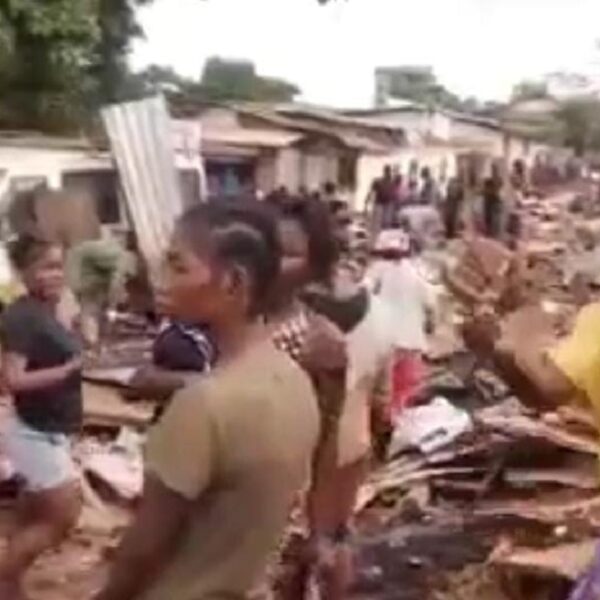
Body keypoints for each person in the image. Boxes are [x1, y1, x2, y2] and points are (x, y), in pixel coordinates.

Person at [95, 202, 319, 600]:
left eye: (179, 267)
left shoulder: (202, 405)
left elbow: (143, 550)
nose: (161, 280)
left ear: (233, 283)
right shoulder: (295, 381)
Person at [0, 234, 83, 600]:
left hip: (52, 427)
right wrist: (68, 371)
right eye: (46, 267)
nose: (55, 275)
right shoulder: (20, 316)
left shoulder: (49, 308)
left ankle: (12, 587)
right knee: (62, 517)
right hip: (33, 432)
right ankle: (4, 578)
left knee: (31, 515)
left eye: (59, 266)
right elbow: (13, 379)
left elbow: (76, 341)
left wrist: (74, 319)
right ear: (23, 270)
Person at [365, 227, 436, 417]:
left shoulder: (376, 271)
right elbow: (431, 303)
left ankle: (383, 428)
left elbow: (362, 295)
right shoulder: (416, 271)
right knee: (405, 395)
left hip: (383, 343)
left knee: (379, 395)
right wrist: (429, 324)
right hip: (412, 342)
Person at [366, 166, 397, 236]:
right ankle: (376, 236)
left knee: (387, 223)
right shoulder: (378, 181)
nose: (389, 173)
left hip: (388, 204)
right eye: (387, 171)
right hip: (379, 204)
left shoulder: (392, 182)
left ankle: (384, 237)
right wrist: (366, 203)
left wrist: (394, 205)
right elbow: (371, 192)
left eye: (389, 171)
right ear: (384, 172)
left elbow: (393, 194)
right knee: (377, 224)